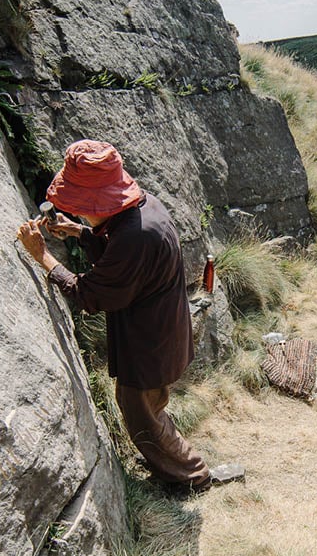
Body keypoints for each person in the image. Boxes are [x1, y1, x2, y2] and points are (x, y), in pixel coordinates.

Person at [16, 139, 243, 494]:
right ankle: (166, 459)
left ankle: (192, 476)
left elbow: (89, 294)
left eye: (81, 207)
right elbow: (119, 249)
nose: (77, 212)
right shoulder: (144, 207)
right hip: (161, 330)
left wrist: (42, 255)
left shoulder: (134, 236)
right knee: (151, 408)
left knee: (141, 414)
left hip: (149, 343)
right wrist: (80, 232)